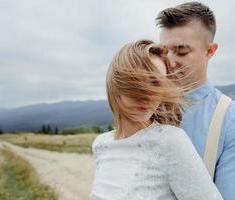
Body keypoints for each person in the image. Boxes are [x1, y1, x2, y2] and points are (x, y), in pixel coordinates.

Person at [156, 2, 235, 200]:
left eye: (181, 51)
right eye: (164, 51)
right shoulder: (144, 109)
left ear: (210, 51)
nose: (170, 61)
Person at [90, 39, 223, 199]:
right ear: (116, 84)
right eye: (138, 81)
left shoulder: (169, 140)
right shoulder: (101, 144)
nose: (149, 95)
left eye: (157, 84)